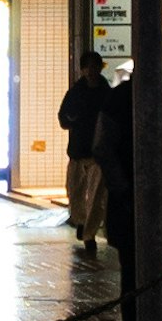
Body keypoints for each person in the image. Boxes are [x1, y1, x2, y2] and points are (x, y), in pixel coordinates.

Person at [60, 49, 114, 251]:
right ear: (82, 69)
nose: (91, 71)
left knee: (96, 198)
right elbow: (63, 118)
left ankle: (89, 234)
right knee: (75, 195)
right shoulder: (75, 92)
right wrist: (70, 120)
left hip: (97, 154)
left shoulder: (106, 94)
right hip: (77, 151)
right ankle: (81, 222)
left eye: (94, 67)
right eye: (87, 67)